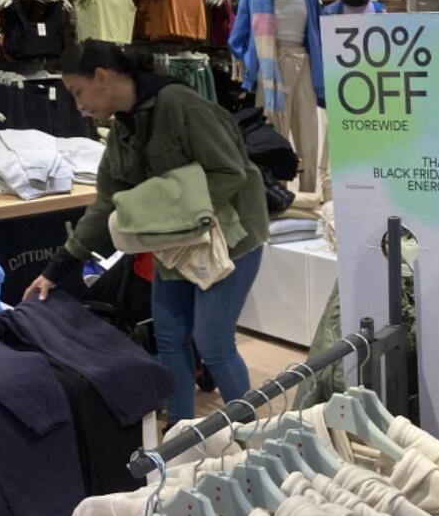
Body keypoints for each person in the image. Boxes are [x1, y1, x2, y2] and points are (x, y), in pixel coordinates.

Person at [24, 41, 269, 424]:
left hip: (230, 238)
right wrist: (56, 269)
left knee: (213, 343)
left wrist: (161, 208)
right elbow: (108, 203)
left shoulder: (179, 105)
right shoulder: (124, 128)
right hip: (175, 243)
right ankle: (181, 437)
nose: (78, 105)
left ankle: (255, 438)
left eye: (78, 92)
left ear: (102, 77)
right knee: (169, 339)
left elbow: (231, 171)